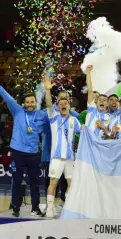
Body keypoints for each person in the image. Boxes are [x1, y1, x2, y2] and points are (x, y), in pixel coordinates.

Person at [0, 75, 46, 218]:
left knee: (35, 182)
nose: (30, 104)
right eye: (27, 102)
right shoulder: (18, 111)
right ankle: (16, 208)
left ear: (36, 103)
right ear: (23, 103)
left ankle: (35, 208)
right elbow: (8, 99)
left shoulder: (41, 115)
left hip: (33, 153)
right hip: (17, 152)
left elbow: (51, 112)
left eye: (32, 102)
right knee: (17, 180)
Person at [43, 76, 81, 218]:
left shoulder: (74, 121)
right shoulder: (54, 117)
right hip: (57, 158)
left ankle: (67, 208)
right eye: (61, 103)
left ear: (69, 106)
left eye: (66, 103)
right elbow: (48, 104)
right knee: (53, 182)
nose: (63, 105)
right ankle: (49, 209)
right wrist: (48, 90)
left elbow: (84, 133)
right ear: (58, 106)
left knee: (71, 185)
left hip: (70, 158)